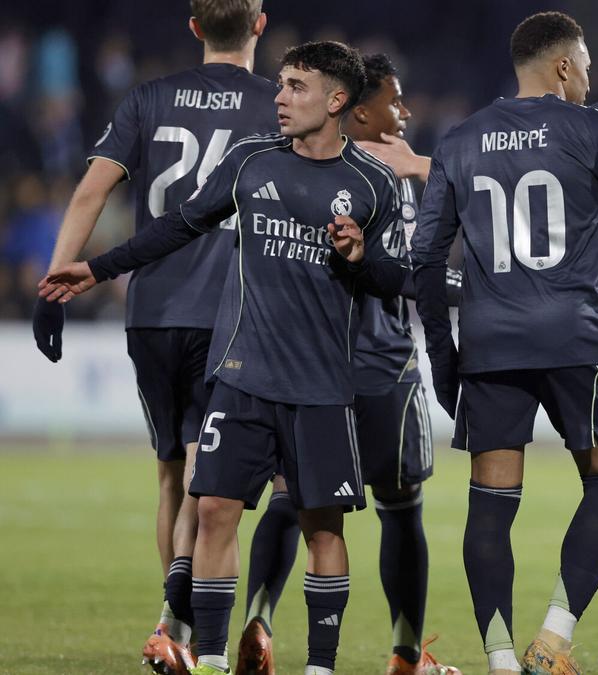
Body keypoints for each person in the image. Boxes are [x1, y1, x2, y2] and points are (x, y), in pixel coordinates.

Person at [41, 40, 404, 675]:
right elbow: (178, 224)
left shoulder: (372, 184)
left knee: (324, 530)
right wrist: (96, 270)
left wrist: (359, 260)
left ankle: (321, 666)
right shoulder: (250, 160)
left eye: (296, 87)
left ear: (337, 100)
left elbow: (398, 278)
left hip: (322, 385)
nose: (281, 97)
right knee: (212, 511)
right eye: (282, 84)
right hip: (243, 374)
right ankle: (209, 660)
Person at [410, 10, 598, 674]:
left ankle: (503, 659)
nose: (594, 77)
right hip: (578, 340)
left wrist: (444, 360)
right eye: (589, 65)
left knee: (490, 506)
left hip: (489, 344)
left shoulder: (460, 140)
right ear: (563, 66)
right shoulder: (592, 130)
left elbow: (425, 261)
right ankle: (554, 636)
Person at [30, 1, 276, 671]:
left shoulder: (149, 98)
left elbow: (90, 192)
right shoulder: (277, 102)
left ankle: (176, 625)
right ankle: (182, 626)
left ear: (194, 28)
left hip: (153, 310)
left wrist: (54, 284)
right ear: (258, 25)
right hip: (231, 309)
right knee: (208, 471)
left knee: (171, 473)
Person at [231, 52, 458, 675]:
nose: (404, 111)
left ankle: (258, 618)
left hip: (304, 367)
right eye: (394, 100)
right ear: (357, 109)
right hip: (384, 368)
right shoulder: (400, 179)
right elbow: (423, 272)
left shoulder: (290, 166)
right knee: (400, 506)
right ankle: (407, 652)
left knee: (290, 499)